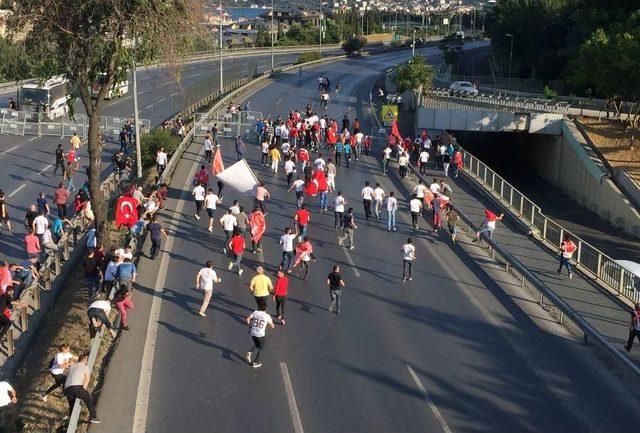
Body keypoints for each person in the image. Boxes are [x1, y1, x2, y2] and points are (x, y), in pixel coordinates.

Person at [64, 353, 101, 424]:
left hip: (67, 389)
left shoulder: (72, 366)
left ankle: (71, 422)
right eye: (86, 359)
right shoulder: (85, 367)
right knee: (89, 399)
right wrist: (83, 392)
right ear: (85, 360)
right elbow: (87, 379)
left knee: (72, 405)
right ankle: (93, 417)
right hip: (76, 387)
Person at [245, 301, 275, 368]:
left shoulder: (255, 312)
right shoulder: (267, 316)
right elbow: (272, 326)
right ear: (265, 308)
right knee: (261, 347)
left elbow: (247, 319)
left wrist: (250, 326)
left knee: (257, 344)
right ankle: (255, 362)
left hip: (253, 332)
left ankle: (250, 352)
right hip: (260, 334)